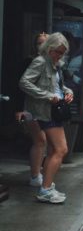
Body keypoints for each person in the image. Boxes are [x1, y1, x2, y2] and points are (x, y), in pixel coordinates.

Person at [19, 32, 73, 204]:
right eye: (56, 51)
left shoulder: (55, 64)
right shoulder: (41, 61)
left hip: (53, 109)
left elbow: (59, 85)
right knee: (60, 149)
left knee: (54, 149)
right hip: (45, 110)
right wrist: (47, 96)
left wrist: (67, 91)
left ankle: (46, 186)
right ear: (49, 48)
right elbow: (24, 82)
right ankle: (46, 189)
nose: (58, 55)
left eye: (61, 52)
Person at [15, 32, 49, 186]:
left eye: (45, 42)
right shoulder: (30, 62)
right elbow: (20, 86)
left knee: (44, 141)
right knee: (40, 140)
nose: (41, 46)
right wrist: (19, 108)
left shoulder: (51, 62)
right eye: (39, 43)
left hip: (45, 108)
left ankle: (38, 173)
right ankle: (35, 176)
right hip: (30, 107)